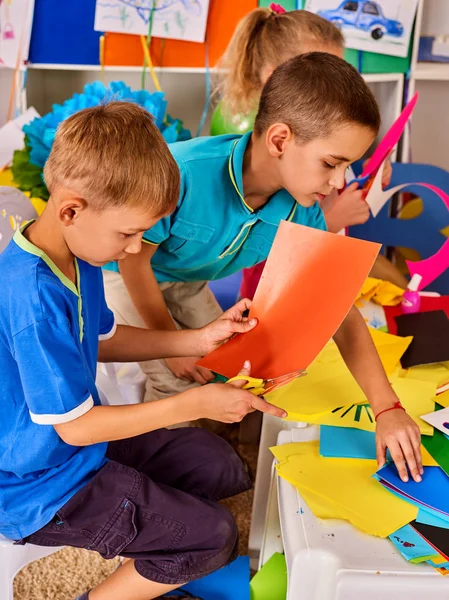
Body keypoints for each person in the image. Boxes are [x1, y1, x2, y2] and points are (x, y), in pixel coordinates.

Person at [0, 102, 286, 600]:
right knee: (212, 535)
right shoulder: (33, 297)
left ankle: (149, 541)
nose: (136, 250)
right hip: (38, 488)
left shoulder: (78, 249)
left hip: (78, 454)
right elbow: (74, 426)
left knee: (216, 463)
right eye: (129, 233)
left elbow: (106, 339)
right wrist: (194, 404)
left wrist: (196, 339)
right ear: (71, 209)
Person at [103, 54, 423, 485]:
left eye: (347, 166)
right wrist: (171, 343)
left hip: (187, 278)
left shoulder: (301, 207)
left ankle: (208, 437)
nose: (339, 183)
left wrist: (388, 408)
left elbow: (339, 313)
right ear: (279, 140)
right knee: (177, 377)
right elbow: (133, 259)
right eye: (331, 164)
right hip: (121, 273)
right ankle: (163, 483)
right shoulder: (184, 172)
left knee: (228, 365)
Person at [210, 5, 407, 300]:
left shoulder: (318, 133)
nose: (336, 88)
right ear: (276, 75)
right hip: (273, 288)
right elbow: (267, 245)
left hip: (320, 265)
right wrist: (334, 219)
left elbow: (332, 180)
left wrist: (365, 175)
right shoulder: (260, 145)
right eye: (320, 72)